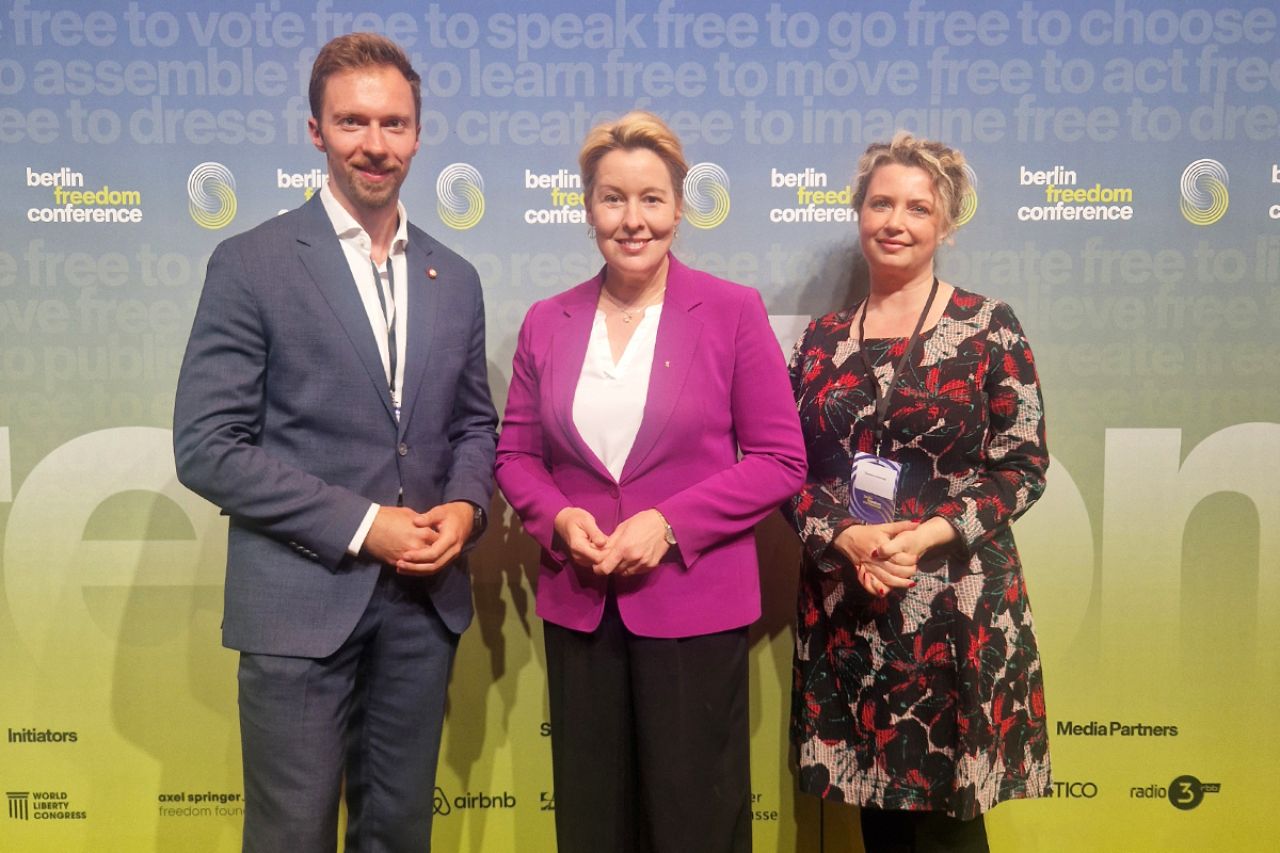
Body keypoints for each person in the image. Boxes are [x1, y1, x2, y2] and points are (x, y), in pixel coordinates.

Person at [173, 33, 498, 852]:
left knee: (399, 832)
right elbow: (207, 444)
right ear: (316, 130)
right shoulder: (251, 263)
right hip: (299, 604)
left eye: (394, 123)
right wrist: (363, 524)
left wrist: (465, 507)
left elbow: (473, 424)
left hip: (423, 608)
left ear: (418, 134)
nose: (375, 144)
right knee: (291, 835)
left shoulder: (456, 277)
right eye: (353, 122)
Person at [494, 110, 805, 853]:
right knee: (593, 824)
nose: (632, 220)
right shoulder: (546, 320)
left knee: (696, 823)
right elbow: (515, 456)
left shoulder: (731, 311)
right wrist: (558, 518)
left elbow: (780, 459)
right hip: (582, 603)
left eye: (651, 199)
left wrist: (668, 524)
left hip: (694, 606)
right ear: (588, 207)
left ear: (679, 208)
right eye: (613, 198)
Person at [783, 132, 1051, 852]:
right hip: (853, 607)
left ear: (946, 224)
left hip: (954, 608)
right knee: (878, 820)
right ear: (859, 212)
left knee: (950, 829)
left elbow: (1023, 466)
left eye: (917, 208)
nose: (895, 221)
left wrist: (925, 534)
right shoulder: (819, 341)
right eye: (881, 203)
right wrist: (847, 536)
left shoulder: (989, 327)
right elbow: (785, 470)